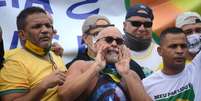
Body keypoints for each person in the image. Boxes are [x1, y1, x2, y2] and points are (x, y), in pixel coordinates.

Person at [58, 26, 150, 101]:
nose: (114, 44)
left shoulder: (131, 74)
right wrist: (95, 67)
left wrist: (126, 74)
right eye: (108, 40)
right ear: (95, 46)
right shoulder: (81, 66)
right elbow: (64, 96)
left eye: (119, 41)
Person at [0, 7, 66, 101]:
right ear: (22, 35)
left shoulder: (56, 54)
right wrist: (43, 86)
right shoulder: (14, 63)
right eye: (37, 26)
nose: (45, 30)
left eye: (48, 26)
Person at [143, 27, 201, 101]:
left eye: (183, 46)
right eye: (173, 46)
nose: (179, 51)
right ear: (160, 51)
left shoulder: (197, 68)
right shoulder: (146, 85)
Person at [123, 3, 162, 76]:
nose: (142, 29)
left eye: (147, 24)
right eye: (136, 23)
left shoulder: (163, 53)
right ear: (124, 25)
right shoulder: (115, 53)